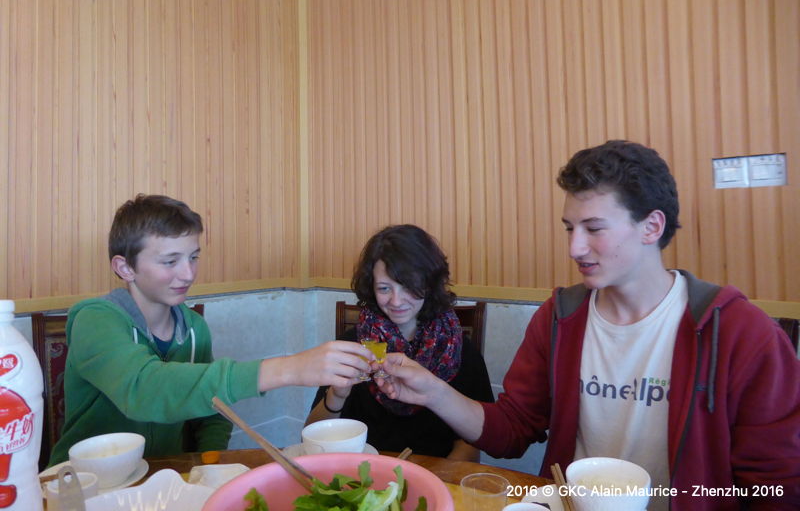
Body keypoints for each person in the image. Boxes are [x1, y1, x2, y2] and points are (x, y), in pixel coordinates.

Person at [377, 141, 800, 510]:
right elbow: (513, 430)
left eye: (594, 228)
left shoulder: (739, 332)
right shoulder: (561, 318)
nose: (575, 247)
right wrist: (434, 392)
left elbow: (777, 486)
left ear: (652, 226)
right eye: (570, 229)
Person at [49, 194, 371, 465]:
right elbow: (144, 389)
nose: (188, 273)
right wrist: (289, 369)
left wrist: (209, 462)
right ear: (125, 267)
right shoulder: (95, 319)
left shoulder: (194, 329)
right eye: (170, 261)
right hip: (83, 484)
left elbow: (213, 410)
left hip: (163, 480)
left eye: (193, 257)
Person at [306, 224, 493, 460]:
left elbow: (471, 444)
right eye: (384, 288)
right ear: (371, 288)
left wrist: (435, 480)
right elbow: (312, 437)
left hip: (437, 474)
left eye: (409, 287)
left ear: (429, 284)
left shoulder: (458, 350)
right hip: (364, 473)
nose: (396, 301)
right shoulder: (353, 346)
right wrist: (337, 395)